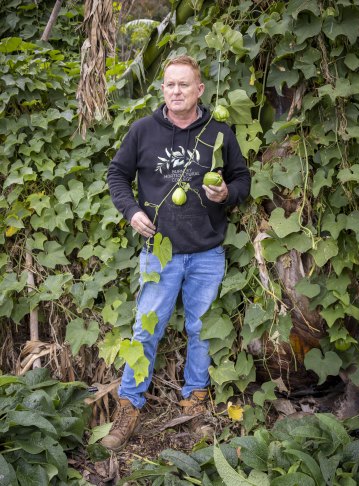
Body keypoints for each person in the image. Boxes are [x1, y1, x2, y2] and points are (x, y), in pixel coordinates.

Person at [102, 55, 251, 451]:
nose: (176, 91)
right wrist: (132, 210)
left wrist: (228, 193)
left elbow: (242, 178)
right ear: (162, 88)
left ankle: (195, 402)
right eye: (170, 84)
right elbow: (116, 174)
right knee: (145, 329)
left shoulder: (219, 132)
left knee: (201, 331)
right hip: (159, 252)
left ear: (200, 89)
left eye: (184, 84)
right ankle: (129, 408)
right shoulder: (143, 131)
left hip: (206, 251)